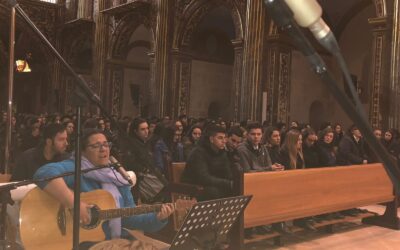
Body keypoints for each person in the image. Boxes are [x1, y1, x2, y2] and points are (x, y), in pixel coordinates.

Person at [33, 129, 174, 243]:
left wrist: (158, 218)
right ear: (83, 151)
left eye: (106, 144)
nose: (103, 149)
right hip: (83, 243)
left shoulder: (117, 177)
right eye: (96, 146)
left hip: (114, 241)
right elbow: (44, 173)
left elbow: (129, 217)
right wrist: (75, 203)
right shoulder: (76, 167)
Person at [181, 124, 233, 201]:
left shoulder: (222, 152)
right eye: (220, 138)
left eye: (225, 138)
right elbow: (203, 178)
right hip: (194, 188)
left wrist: (233, 182)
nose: (224, 141)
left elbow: (227, 174)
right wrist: (228, 183)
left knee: (236, 190)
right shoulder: (198, 153)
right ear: (211, 139)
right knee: (213, 192)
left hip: (212, 186)